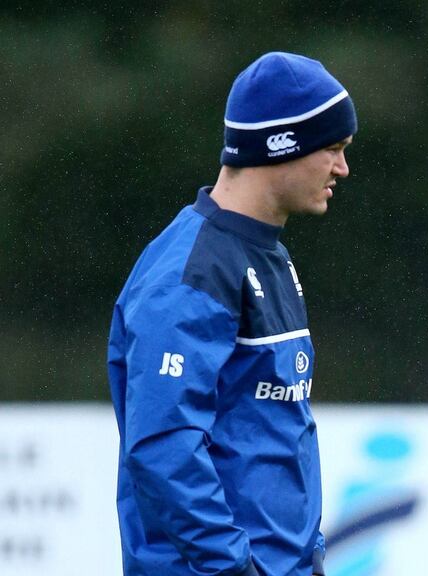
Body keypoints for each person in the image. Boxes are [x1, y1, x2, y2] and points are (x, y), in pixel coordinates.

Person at [108, 51, 356, 575]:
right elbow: (163, 447)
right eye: (332, 148)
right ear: (283, 146)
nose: (342, 167)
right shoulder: (192, 273)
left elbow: (275, 430)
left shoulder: (267, 254)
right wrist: (234, 568)